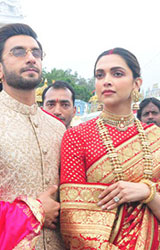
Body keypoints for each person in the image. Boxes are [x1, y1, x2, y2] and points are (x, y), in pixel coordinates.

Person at [0, 23, 66, 250]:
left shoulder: (58, 128)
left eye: (36, 53)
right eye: (19, 52)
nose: (30, 58)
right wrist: (35, 211)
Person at [60, 47, 160, 249]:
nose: (106, 80)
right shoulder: (77, 136)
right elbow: (73, 220)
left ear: (137, 83)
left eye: (117, 73)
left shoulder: (155, 137)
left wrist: (147, 192)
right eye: (99, 75)